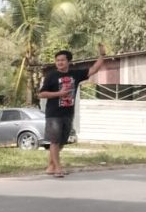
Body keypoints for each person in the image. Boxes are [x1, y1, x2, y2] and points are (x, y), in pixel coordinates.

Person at [38, 44, 106, 177]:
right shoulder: (51, 76)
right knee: (55, 141)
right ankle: (58, 168)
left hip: (68, 113)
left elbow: (94, 69)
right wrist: (59, 94)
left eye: (62, 60)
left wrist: (102, 56)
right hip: (54, 114)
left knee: (62, 142)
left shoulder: (75, 74)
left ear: (68, 61)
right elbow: (41, 94)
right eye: (57, 61)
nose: (59, 63)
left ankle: (51, 166)